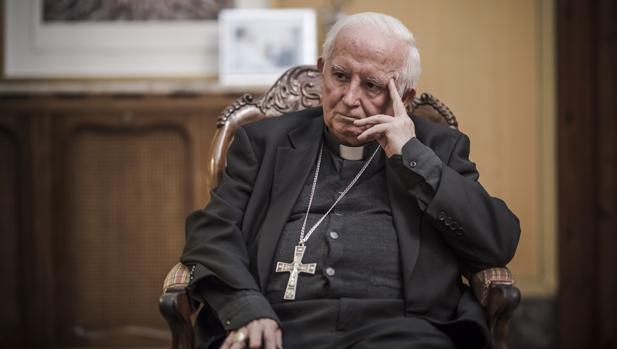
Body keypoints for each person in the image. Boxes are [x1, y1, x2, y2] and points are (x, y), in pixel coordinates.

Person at [181, 12, 520, 349]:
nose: (349, 98)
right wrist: (248, 308)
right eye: (340, 75)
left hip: (403, 331)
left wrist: (413, 158)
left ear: (404, 98)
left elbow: (497, 241)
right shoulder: (264, 143)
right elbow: (211, 232)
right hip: (281, 326)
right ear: (320, 71)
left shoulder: (437, 149)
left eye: (371, 85)